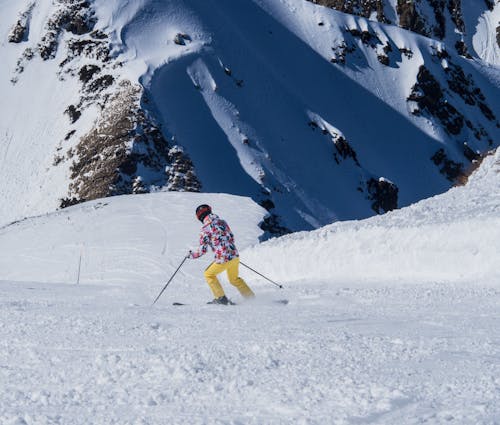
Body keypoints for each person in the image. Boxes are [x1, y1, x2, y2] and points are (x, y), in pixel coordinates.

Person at [187, 204, 255, 304]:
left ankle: (220, 298)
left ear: (199, 217)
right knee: (234, 279)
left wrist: (191, 255)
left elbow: (202, 250)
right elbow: (231, 237)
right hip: (234, 255)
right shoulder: (223, 222)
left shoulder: (205, 228)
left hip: (223, 258)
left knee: (208, 274)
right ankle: (251, 298)